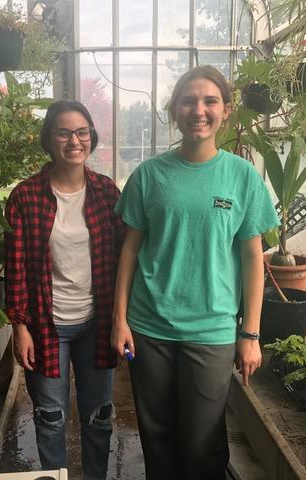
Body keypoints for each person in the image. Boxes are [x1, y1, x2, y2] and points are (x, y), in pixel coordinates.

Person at [111, 65, 280, 480]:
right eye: (188, 100)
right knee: (157, 433)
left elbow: (252, 259)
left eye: (209, 101)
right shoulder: (149, 176)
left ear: (225, 110)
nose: (198, 110)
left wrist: (251, 333)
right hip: (149, 327)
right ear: (175, 110)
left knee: (203, 440)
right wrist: (120, 321)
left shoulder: (242, 178)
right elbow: (129, 250)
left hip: (212, 331)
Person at [4, 100, 123, 480]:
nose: (75, 140)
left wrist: (124, 319)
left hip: (96, 322)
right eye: (64, 132)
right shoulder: (26, 196)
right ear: (49, 139)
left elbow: (125, 260)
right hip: (46, 325)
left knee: (99, 415)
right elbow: (16, 266)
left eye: (82, 132)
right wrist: (19, 327)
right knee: (50, 417)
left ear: (91, 137)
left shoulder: (106, 193)